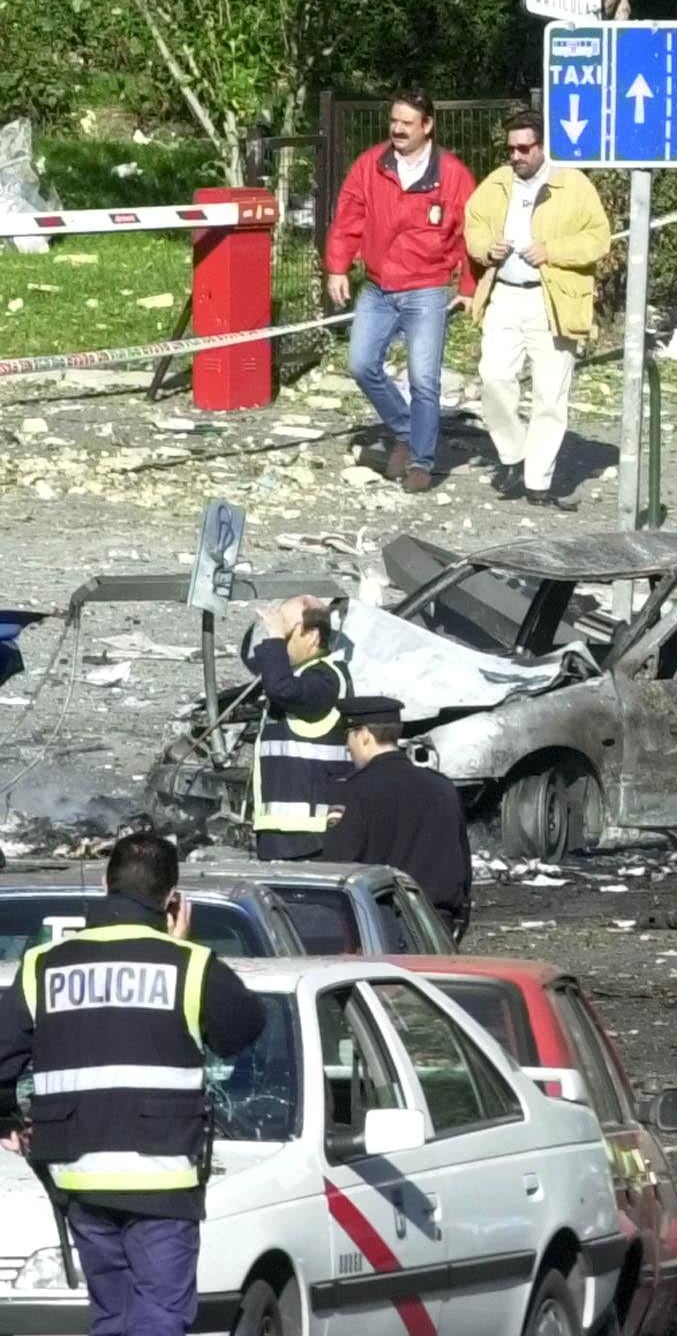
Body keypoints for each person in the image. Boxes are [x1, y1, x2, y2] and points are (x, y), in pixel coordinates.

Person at [0, 831, 266, 1336]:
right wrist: (180, 945)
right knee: (159, 1317)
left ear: (105, 883)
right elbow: (244, 1028)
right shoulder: (187, 964)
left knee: (114, 1317)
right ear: (172, 900)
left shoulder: (43, 965)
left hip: (78, 1176)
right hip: (161, 1177)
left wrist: (6, 1117)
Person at [323, 87, 478, 494]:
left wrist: (468, 285)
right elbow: (348, 217)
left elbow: (470, 233)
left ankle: (422, 461)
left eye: (407, 123)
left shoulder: (453, 174)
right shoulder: (370, 165)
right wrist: (338, 266)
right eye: (394, 121)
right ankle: (405, 429)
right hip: (377, 285)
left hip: (426, 288)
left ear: (427, 126)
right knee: (360, 364)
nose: (397, 129)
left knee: (424, 379)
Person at [465, 109, 611, 509]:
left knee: (550, 393)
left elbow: (598, 239)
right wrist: (484, 247)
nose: (516, 156)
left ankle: (538, 482)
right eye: (510, 148)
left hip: (553, 298)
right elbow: (473, 224)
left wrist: (553, 252)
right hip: (505, 293)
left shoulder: (573, 184)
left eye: (524, 148)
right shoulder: (497, 183)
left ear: (543, 147)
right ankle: (513, 454)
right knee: (493, 378)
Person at [324, 696, 473, 943]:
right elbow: (463, 867)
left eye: (347, 736)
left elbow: (337, 866)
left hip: (380, 925)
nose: (347, 747)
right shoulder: (442, 787)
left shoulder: (354, 792)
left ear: (364, 735)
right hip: (437, 926)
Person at [241, 595, 352, 861]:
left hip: (309, 836)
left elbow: (281, 688)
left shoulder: (326, 678)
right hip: (284, 834)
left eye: (285, 633)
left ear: (312, 636)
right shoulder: (299, 674)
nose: (278, 641)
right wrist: (267, 629)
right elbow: (258, 663)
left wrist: (275, 638)